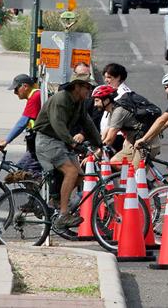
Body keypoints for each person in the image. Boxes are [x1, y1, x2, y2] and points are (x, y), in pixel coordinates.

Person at [30, 78, 100, 231]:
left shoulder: (78, 102)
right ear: (76, 87)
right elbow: (58, 124)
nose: (89, 91)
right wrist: (73, 143)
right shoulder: (61, 99)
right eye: (86, 87)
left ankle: (55, 201)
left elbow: (87, 123)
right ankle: (63, 214)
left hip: (59, 141)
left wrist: (100, 143)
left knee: (80, 175)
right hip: (47, 140)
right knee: (71, 171)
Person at [0, 74, 45, 181]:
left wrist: (6, 141)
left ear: (25, 86)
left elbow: (22, 122)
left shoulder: (35, 97)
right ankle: (34, 194)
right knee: (20, 169)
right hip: (35, 144)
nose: (15, 92)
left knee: (24, 172)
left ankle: (38, 195)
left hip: (41, 145)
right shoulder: (35, 95)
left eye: (16, 89)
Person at [94, 85, 149, 165]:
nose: (95, 104)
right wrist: (95, 147)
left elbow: (109, 139)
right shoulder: (111, 112)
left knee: (135, 172)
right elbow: (105, 134)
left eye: (97, 100)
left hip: (145, 143)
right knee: (115, 162)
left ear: (106, 100)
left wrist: (95, 156)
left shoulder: (118, 112)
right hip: (134, 143)